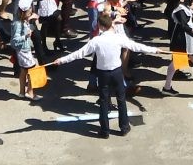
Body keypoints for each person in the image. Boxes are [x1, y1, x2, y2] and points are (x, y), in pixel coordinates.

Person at [50, 8, 163, 138]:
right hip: (117, 73)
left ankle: (105, 131)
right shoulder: (118, 38)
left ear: (100, 26)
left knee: (104, 101)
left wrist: (62, 60)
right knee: (121, 99)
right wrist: (155, 50)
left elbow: (78, 54)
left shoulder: (96, 41)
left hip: (103, 75)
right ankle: (124, 127)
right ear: (111, 24)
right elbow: (136, 46)